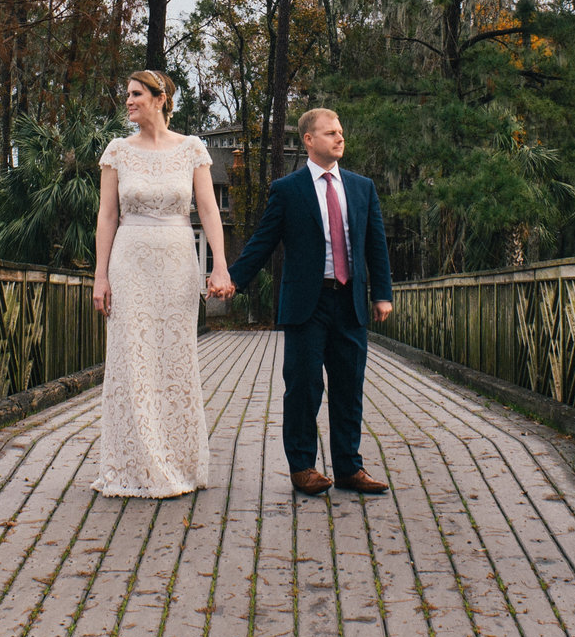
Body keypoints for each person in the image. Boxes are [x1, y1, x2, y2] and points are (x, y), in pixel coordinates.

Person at [225, 107, 394, 495]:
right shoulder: (288, 190)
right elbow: (263, 241)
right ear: (309, 140)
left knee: (348, 385)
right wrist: (233, 279)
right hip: (307, 303)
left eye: (341, 131)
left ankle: (350, 468)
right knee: (303, 386)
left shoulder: (362, 186)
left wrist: (382, 294)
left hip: (350, 300)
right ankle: (303, 467)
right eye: (331, 132)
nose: (340, 138)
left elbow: (375, 245)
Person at [90, 69, 236, 498]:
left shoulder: (191, 149)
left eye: (136, 94)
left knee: (174, 358)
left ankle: (179, 463)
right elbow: (107, 216)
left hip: (176, 259)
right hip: (130, 260)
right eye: (128, 93)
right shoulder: (117, 151)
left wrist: (220, 265)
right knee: (131, 357)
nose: (128, 100)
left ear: (160, 99)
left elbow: (209, 211)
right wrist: (100, 276)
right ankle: (135, 464)